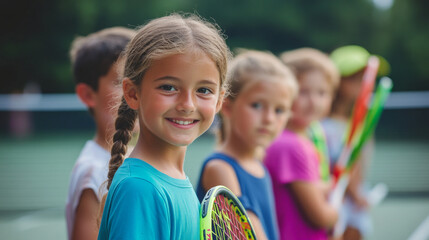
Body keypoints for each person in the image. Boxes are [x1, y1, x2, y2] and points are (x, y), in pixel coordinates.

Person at [97, 14, 230, 239]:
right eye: (168, 87)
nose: (187, 105)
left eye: (204, 90)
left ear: (219, 101)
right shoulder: (140, 188)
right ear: (132, 93)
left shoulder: (170, 181)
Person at [196, 50, 298, 240]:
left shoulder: (259, 166)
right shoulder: (220, 169)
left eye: (279, 110)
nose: (269, 119)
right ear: (226, 106)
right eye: (257, 105)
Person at [65, 27, 135, 240]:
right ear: (88, 94)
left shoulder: (135, 156)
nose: (132, 93)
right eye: (119, 82)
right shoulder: (93, 171)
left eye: (137, 80)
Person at [264, 48, 340, 240]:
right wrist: (337, 212)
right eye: (303, 92)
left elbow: (307, 188)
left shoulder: (308, 136)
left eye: (322, 93)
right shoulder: (291, 146)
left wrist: (326, 187)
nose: (314, 102)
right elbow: (320, 216)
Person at [322, 45, 387, 240]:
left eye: (369, 77)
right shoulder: (321, 125)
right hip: (332, 204)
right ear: (336, 80)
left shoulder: (362, 122)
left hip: (355, 205)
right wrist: (352, 191)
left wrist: (358, 192)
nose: (366, 84)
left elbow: (358, 162)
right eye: (356, 78)